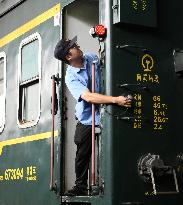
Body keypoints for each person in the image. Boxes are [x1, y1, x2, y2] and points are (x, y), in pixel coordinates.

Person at [54, 36, 132, 196]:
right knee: (82, 152)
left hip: (107, 111)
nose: (77, 45)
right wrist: (116, 100)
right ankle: (80, 185)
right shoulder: (71, 76)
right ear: (69, 56)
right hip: (87, 117)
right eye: (74, 46)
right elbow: (88, 97)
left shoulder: (90, 57)